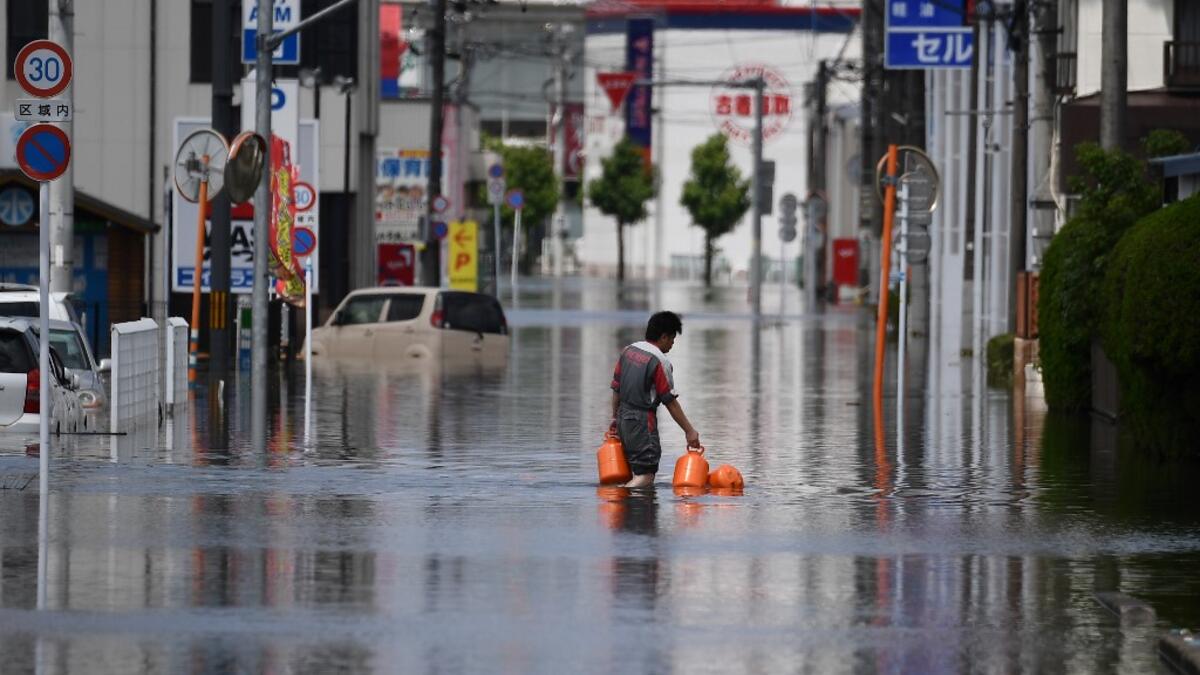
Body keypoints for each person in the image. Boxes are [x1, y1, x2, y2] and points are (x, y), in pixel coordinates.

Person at [608, 311, 701, 488]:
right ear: (664, 336)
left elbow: (616, 388)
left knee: (630, 472)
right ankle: (620, 498)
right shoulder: (660, 361)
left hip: (622, 419)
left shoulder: (629, 351)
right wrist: (689, 431)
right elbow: (669, 401)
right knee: (646, 475)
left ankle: (625, 506)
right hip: (642, 423)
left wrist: (614, 418)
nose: (672, 344)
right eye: (672, 339)